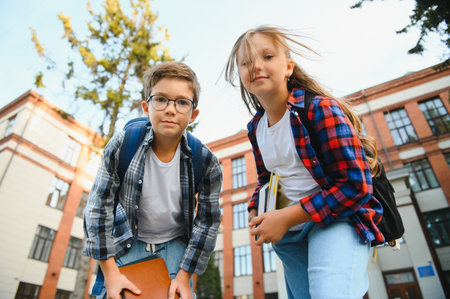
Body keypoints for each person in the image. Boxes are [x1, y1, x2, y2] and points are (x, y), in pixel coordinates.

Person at [224, 26, 384, 298]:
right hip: (289, 238)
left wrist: (286, 217)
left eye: (267, 57)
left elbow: (356, 186)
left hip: (335, 222)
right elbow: (269, 178)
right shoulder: (255, 128)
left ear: (288, 67)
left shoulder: (319, 109)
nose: (256, 66)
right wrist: (255, 208)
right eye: (246, 62)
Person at [83, 61, 222, 299]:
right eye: (161, 99)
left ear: (193, 114)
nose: (170, 109)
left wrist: (184, 276)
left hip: (175, 247)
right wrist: (110, 272)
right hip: (126, 242)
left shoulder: (206, 161)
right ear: (146, 107)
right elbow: (99, 206)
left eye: (181, 102)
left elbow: (207, 222)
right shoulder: (123, 144)